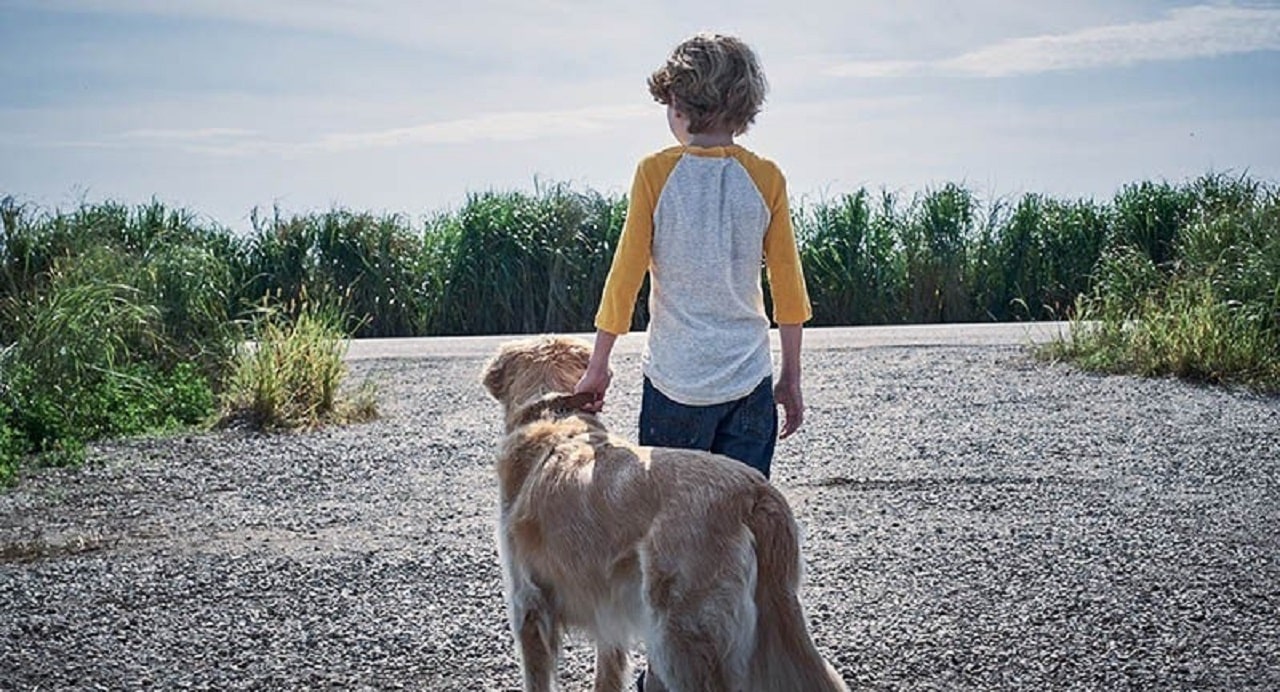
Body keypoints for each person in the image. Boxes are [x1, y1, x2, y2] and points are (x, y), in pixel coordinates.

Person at [574, 32, 811, 481]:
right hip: (748, 379)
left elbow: (624, 278)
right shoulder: (767, 178)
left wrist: (598, 366)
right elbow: (788, 290)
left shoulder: (654, 173)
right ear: (744, 105)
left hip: (674, 382)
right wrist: (790, 377)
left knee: (670, 526)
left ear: (680, 104)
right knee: (740, 520)